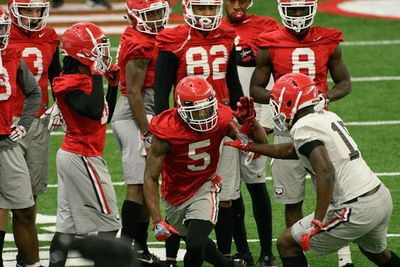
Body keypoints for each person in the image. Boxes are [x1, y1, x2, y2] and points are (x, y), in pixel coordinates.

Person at [228, 72, 400, 267]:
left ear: (291, 102)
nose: (275, 106)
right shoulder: (326, 116)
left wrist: (318, 220)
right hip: (380, 198)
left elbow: (326, 172)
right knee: (378, 254)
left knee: (286, 244)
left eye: (278, 101)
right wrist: (251, 145)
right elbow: (288, 150)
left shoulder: (304, 127)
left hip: (355, 207)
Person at [249, 0, 352, 265]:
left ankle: (344, 255)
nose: (297, 16)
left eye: (301, 10)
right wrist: (284, 97)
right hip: (287, 124)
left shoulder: (328, 39)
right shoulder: (269, 43)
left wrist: (324, 96)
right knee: (292, 198)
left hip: (320, 120)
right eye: (292, 10)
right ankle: (297, 254)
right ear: (282, 10)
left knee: (338, 191)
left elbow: (344, 83)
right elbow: (256, 89)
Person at [154, 0, 243, 261]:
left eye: (209, 8)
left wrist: (241, 120)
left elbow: (233, 82)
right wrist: (160, 128)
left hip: (220, 123)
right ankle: (172, 258)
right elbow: (162, 91)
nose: (206, 14)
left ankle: (225, 255)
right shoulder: (174, 39)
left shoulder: (226, 35)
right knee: (177, 196)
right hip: (185, 126)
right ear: (188, 9)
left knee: (225, 197)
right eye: (200, 8)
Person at [144, 76, 264, 267]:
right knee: (193, 241)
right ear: (181, 111)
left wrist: (252, 121)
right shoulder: (166, 129)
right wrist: (157, 219)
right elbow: (150, 177)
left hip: (204, 187)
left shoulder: (222, 118)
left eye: (207, 109)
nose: (205, 116)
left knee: (194, 243)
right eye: (197, 112)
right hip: (174, 195)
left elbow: (260, 143)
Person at [48, 22, 120, 267]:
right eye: (98, 48)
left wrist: (113, 84)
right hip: (82, 156)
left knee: (66, 226)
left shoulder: (83, 79)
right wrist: (100, 76)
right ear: (83, 52)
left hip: (77, 155)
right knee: (110, 222)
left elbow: (104, 115)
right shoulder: (69, 82)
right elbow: (93, 109)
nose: (103, 53)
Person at [111, 0, 169, 265]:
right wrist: (147, 131)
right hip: (135, 113)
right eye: (150, 14)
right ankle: (126, 249)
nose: (156, 18)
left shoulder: (144, 35)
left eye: (159, 12)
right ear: (134, 17)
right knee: (137, 185)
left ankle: (140, 249)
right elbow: (134, 92)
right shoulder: (139, 43)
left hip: (146, 110)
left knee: (149, 182)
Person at [222, 0, 279, 265]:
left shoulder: (265, 26)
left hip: (254, 114)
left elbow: (274, 74)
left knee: (256, 185)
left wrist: (265, 118)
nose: (237, 5)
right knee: (230, 191)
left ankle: (266, 251)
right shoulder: (212, 28)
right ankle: (242, 250)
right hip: (223, 118)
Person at [6, 0, 61, 264]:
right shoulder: (5, 33)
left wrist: (61, 104)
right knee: (4, 198)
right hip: (6, 122)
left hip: (36, 122)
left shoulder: (50, 36)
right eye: (27, 9)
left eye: (37, 9)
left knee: (29, 200)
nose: (33, 15)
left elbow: (56, 76)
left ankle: (26, 259)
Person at [0, 7, 43, 267]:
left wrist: (23, 125)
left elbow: (34, 93)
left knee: (25, 210)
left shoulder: (12, 56)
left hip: (6, 143)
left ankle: (32, 264)